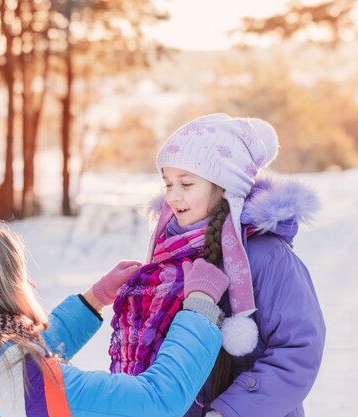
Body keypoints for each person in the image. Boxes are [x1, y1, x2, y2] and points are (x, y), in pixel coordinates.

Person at [109, 113, 326, 417]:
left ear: (224, 186)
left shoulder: (267, 256)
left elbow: (298, 350)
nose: (173, 196)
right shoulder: (171, 253)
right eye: (168, 184)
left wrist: (232, 411)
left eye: (186, 183)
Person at [0, 228, 231, 417]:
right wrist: (199, 309)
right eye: (19, 278)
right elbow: (156, 402)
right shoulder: (14, 379)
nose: (31, 285)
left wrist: (93, 299)